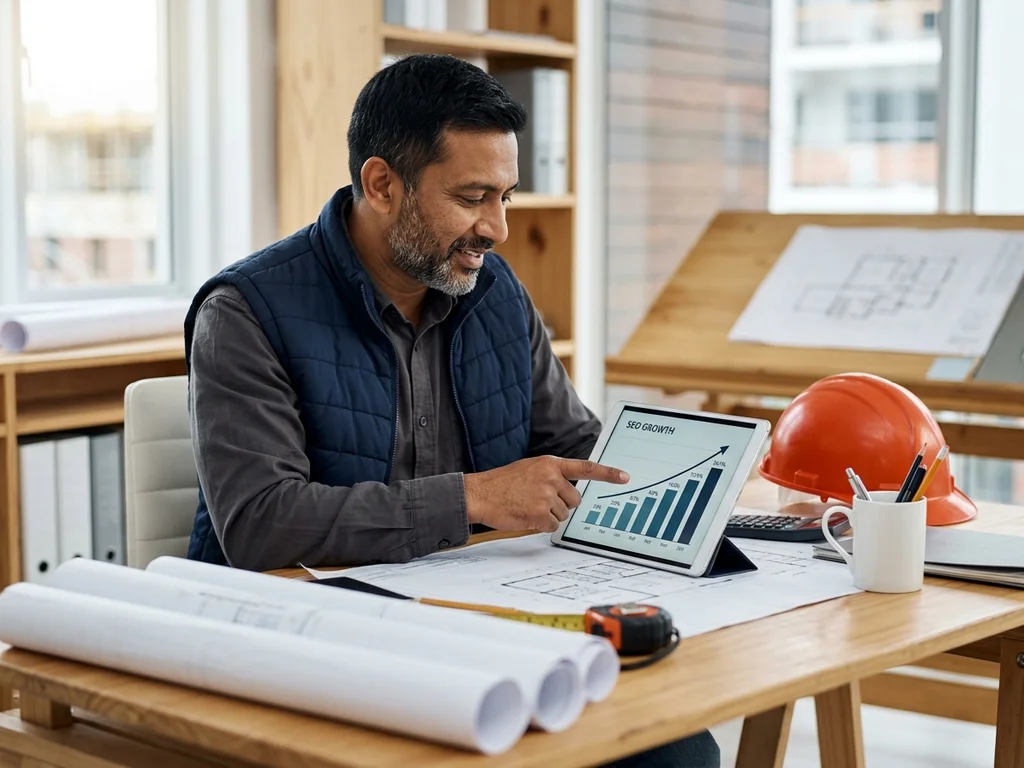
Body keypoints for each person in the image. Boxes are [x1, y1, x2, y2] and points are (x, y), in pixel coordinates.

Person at [184, 53, 719, 768]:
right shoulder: (248, 311)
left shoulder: (494, 291)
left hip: (470, 619)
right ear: (381, 185)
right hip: (306, 642)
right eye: (472, 198)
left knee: (672, 747)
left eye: (507, 196)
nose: (497, 228)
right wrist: (475, 498)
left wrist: (699, 491)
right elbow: (261, 525)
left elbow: (573, 447)